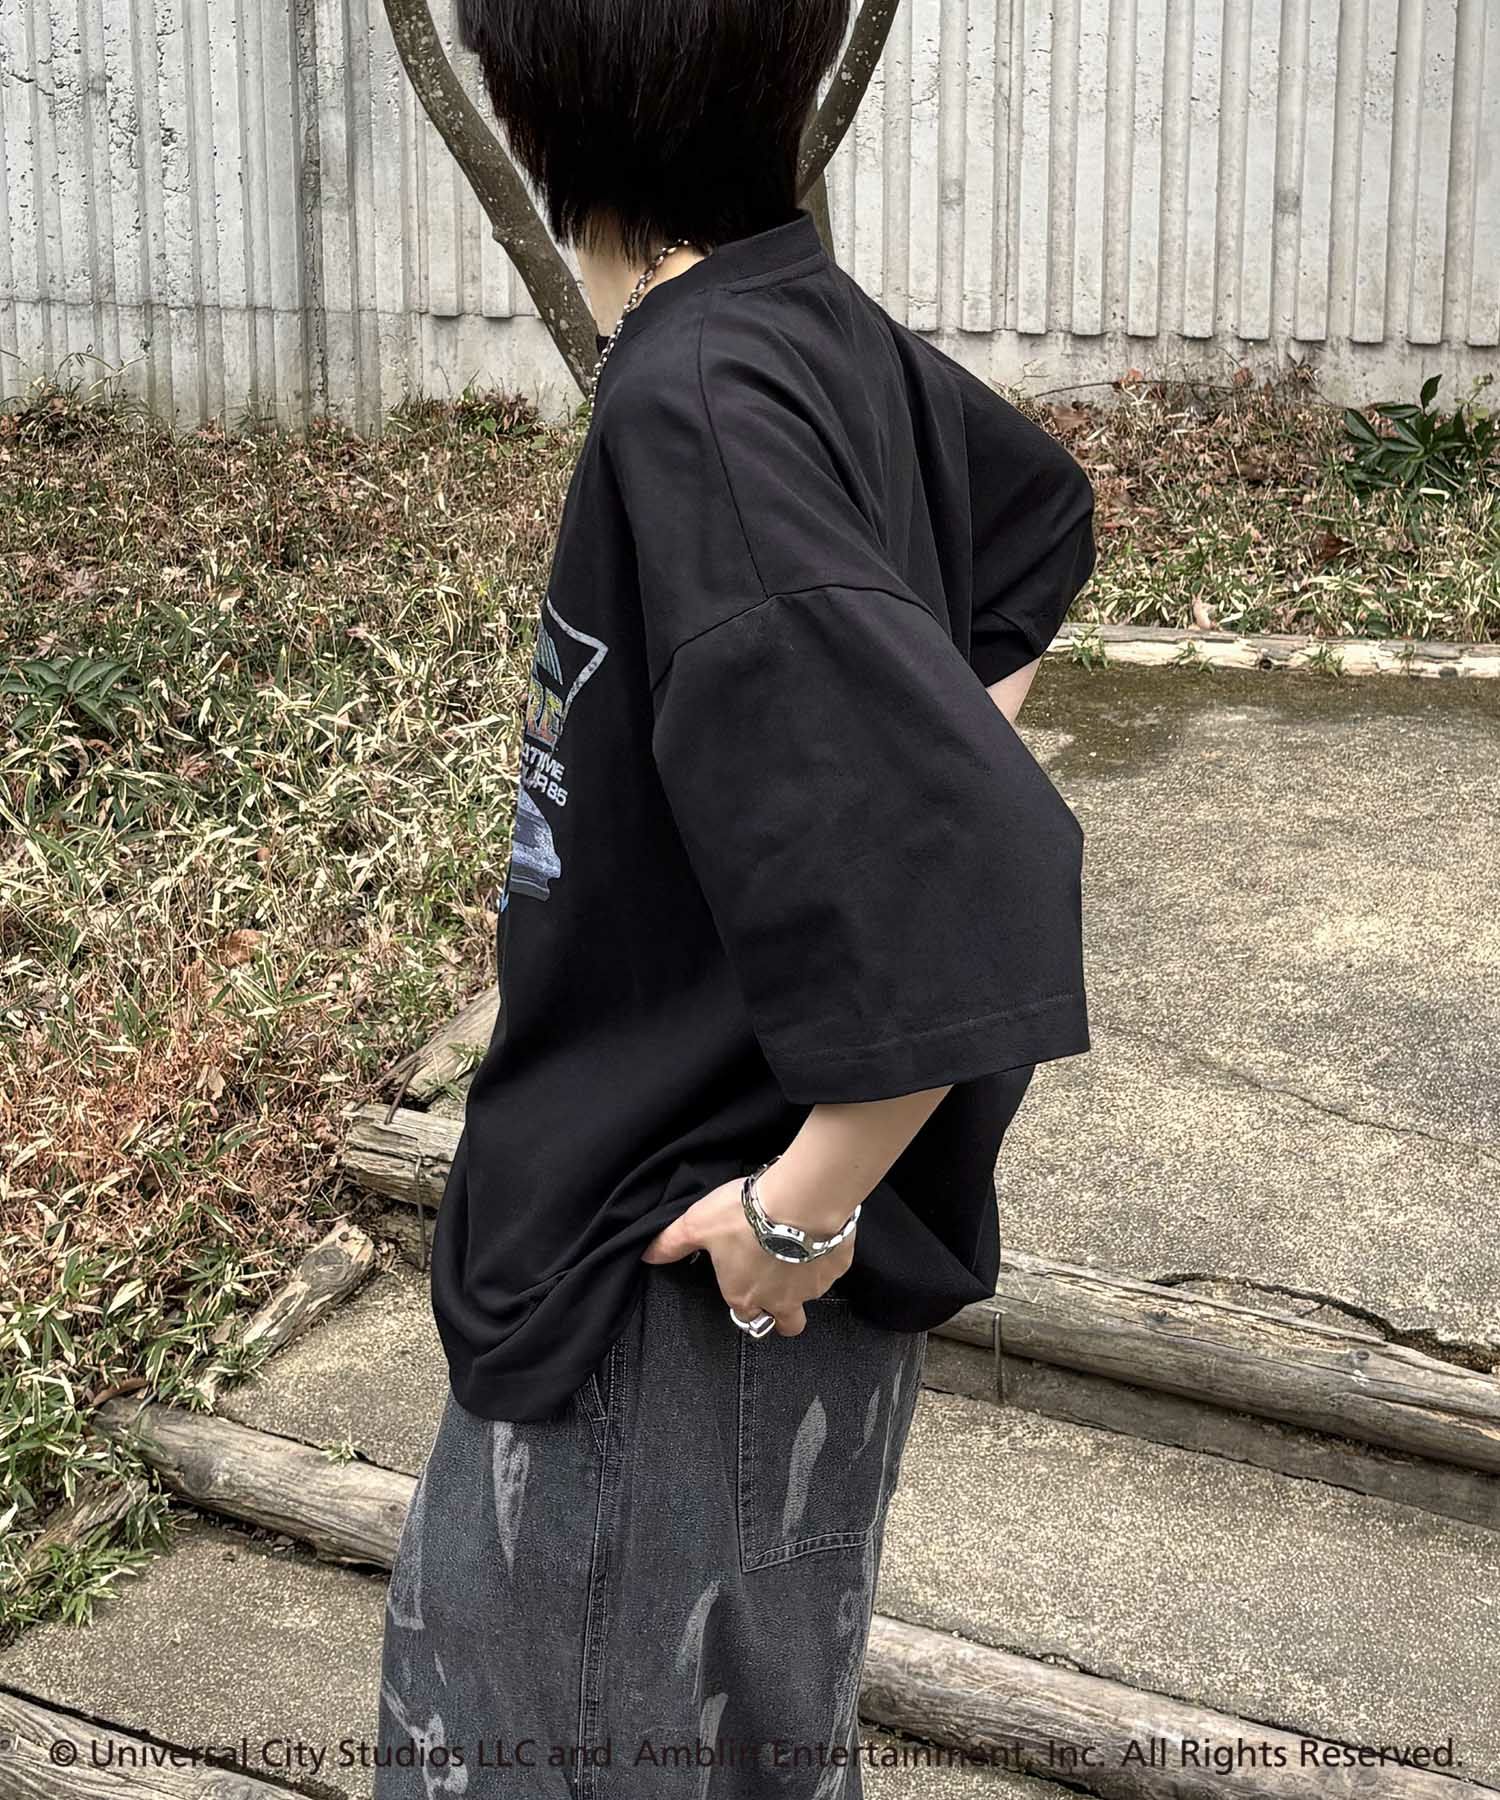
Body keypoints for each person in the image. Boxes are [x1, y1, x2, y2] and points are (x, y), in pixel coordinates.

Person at [373, 2, 1096, 1794]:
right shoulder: (809, 321)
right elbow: (1034, 520)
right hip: (752, 1307)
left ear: (539, 96)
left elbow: (974, 863)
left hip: (673, 1302)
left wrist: (798, 1209)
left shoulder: (695, 395)